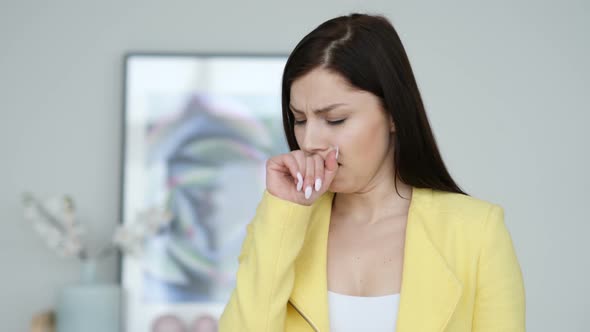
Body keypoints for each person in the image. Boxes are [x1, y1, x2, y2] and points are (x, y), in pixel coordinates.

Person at [219, 13, 525, 332]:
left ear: (393, 114)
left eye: (335, 120)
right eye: (299, 119)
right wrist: (283, 211)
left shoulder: (477, 233)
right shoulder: (278, 225)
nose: (309, 142)